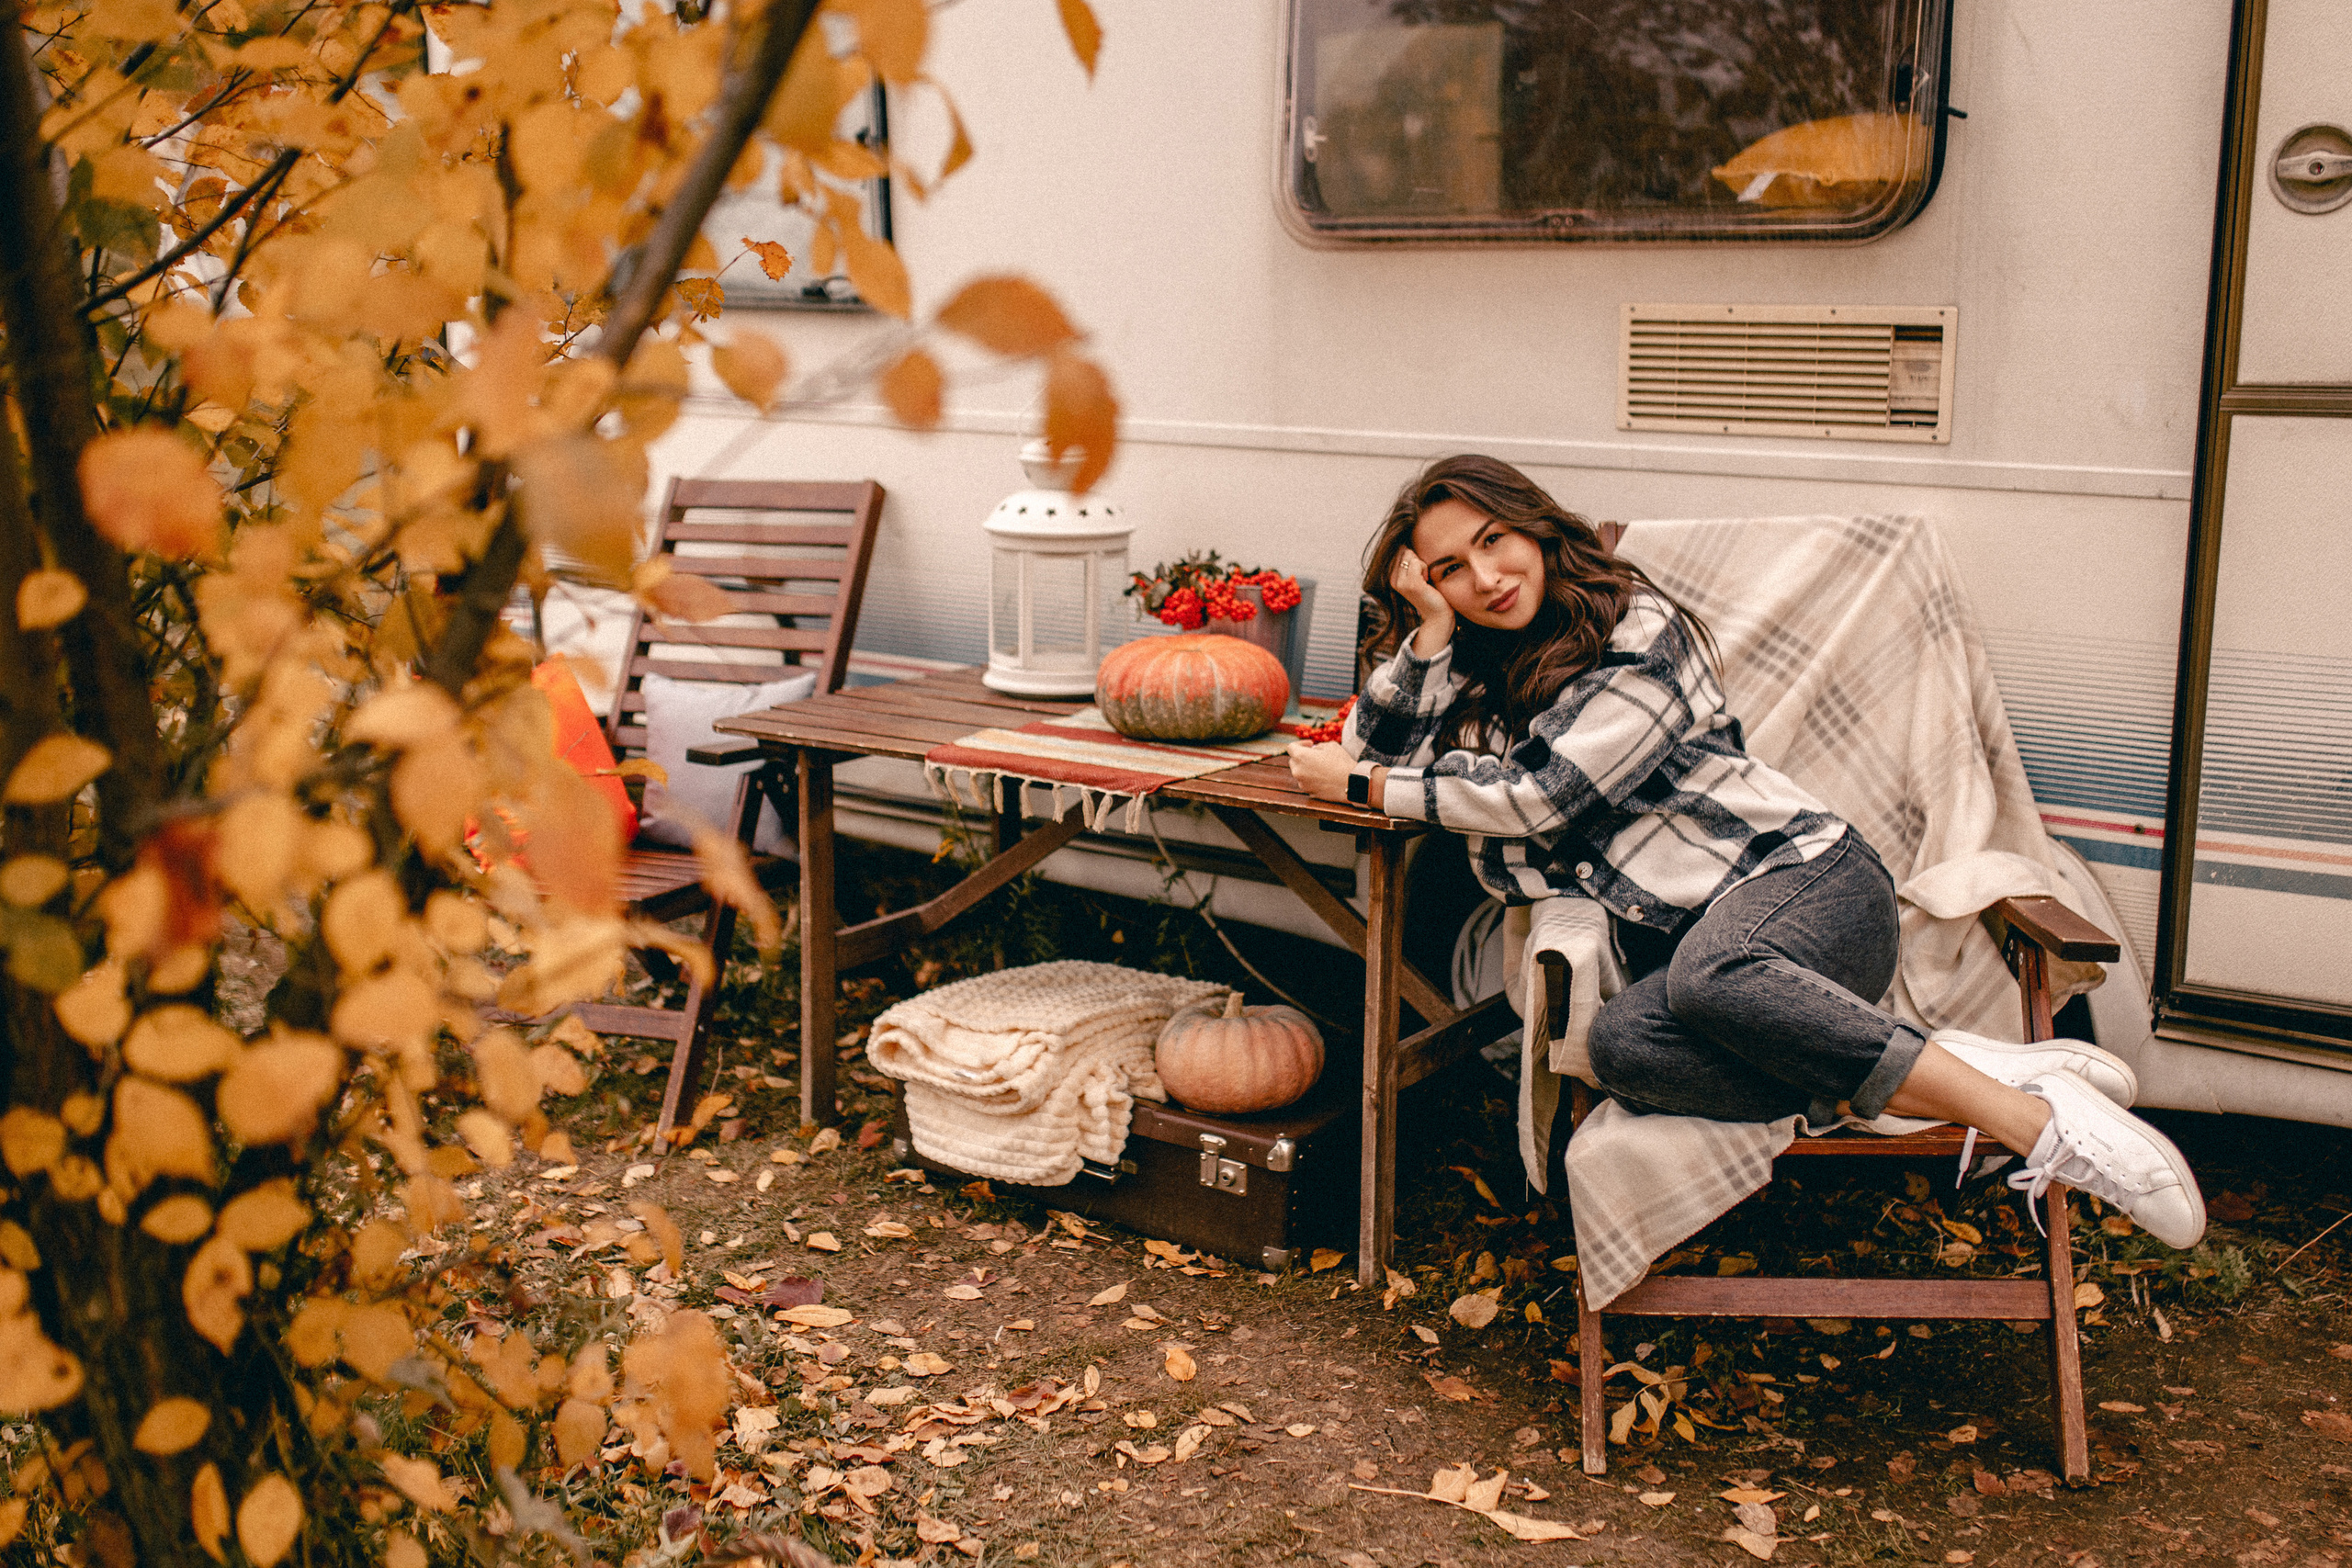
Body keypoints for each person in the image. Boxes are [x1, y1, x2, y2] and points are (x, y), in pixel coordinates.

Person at [1286, 454, 2206, 1248]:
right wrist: (1429, 634)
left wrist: (1366, 788)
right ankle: (1968, 1067)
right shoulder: (1474, 670)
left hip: (1811, 887)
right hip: (1735, 979)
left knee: (1709, 976)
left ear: (1535, 526)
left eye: (1494, 540)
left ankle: (2039, 1126)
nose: (1485, 576)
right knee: (1623, 1047)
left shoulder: (1635, 627)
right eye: (1450, 568)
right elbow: (1370, 748)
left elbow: (1537, 796)